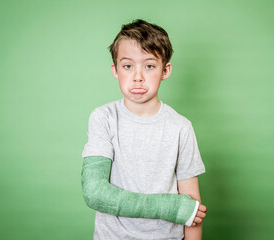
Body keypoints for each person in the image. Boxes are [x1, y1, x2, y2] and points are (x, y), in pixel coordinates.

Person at [81, 19, 207, 240]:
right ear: (115, 70)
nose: (137, 76)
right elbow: (94, 193)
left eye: (149, 66)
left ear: (165, 70)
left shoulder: (181, 127)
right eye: (127, 66)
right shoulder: (104, 118)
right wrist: (169, 207)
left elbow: (191, 208)